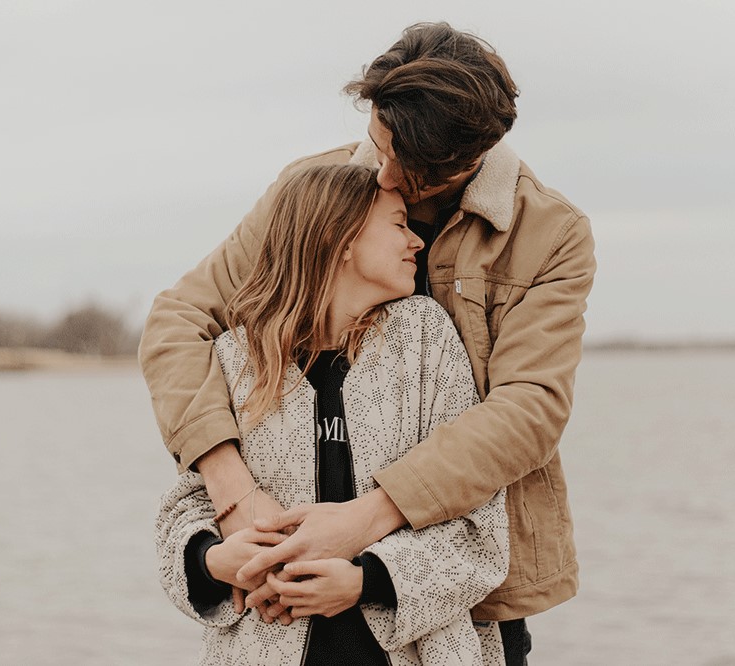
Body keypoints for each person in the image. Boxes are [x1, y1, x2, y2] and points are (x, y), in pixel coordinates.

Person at [140, 22, 596, 665]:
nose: (374, 170)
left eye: (398, 164)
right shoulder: (314, 194)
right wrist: (234, 495)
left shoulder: (552, 233)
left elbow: (529, 407)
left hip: (460, 602)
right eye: (375, 140)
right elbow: (178, 320)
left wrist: (367, 521)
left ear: (466, 160)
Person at [156, 163, 509, 665]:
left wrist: (366, 581)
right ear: (340, 238)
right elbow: (188, 505)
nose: (417, 242)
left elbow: (481, 526)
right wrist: (213, 560)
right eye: (398, 224)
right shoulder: (236, 358)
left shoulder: (426, 340)